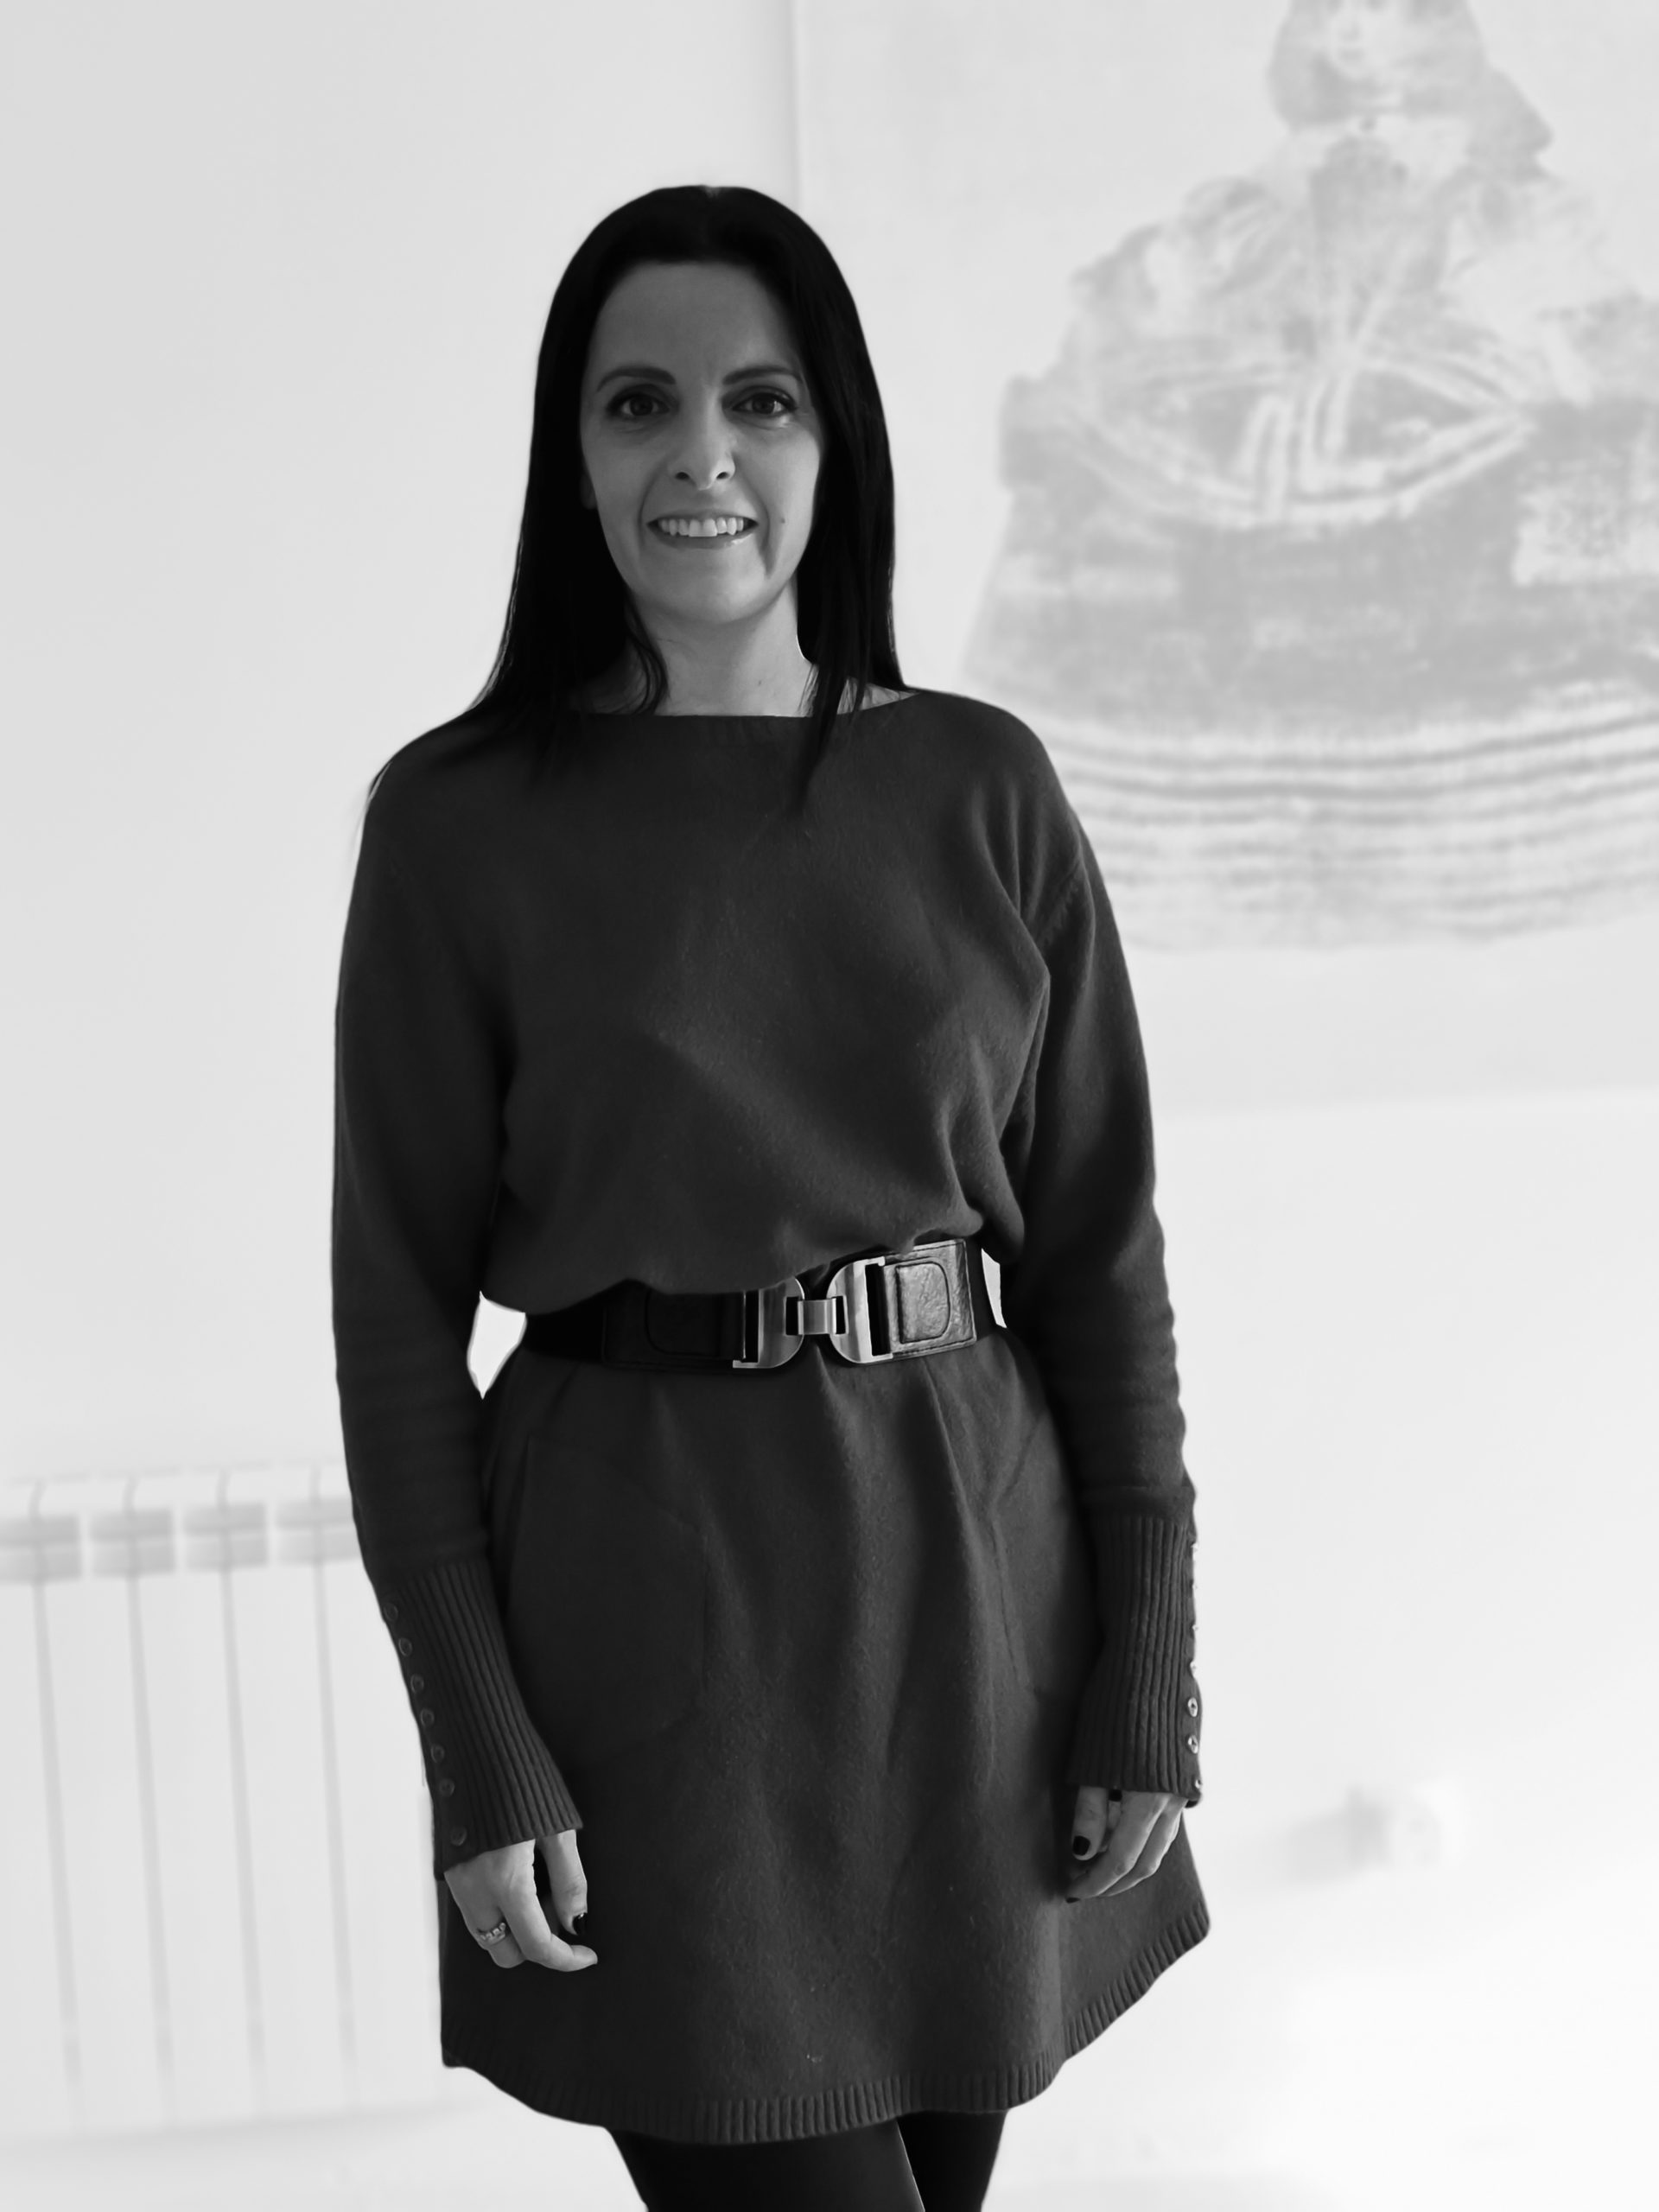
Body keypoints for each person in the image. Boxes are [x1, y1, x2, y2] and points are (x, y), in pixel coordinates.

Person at [332, 182, 1206, 2212]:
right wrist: (477, 1737)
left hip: (971, 1595)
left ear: (838, 442)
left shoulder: (984, 787)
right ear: (575, 457)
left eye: (763, 400)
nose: (701, 453)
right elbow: (392, 1320)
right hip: (647, 1623)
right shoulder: (461, 825)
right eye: (638, 403)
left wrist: (1147, 1656)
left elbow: (1101, 1259)